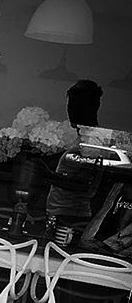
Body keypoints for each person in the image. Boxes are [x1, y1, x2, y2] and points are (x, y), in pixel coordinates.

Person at [45, 79, 105, 223]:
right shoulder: (84, 137)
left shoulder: (92, 141)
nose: (69, 112)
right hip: (63, 214)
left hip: (70, 218)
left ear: (93, 108)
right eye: (69, 106)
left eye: (75, 107)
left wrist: (47, 175)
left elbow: (83, 183)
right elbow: (76, 166)